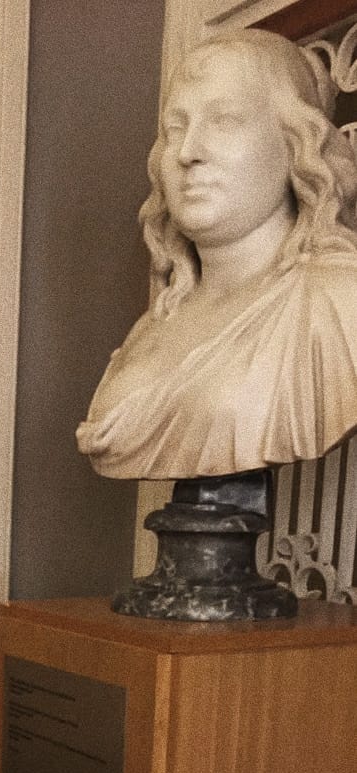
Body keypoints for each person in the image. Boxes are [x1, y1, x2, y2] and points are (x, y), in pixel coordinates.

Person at [76, 28, 357, 481]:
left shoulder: (340, 303)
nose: (188, 152)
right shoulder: (151, 328)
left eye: (224, 120)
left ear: (295, 144)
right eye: (176, 128)